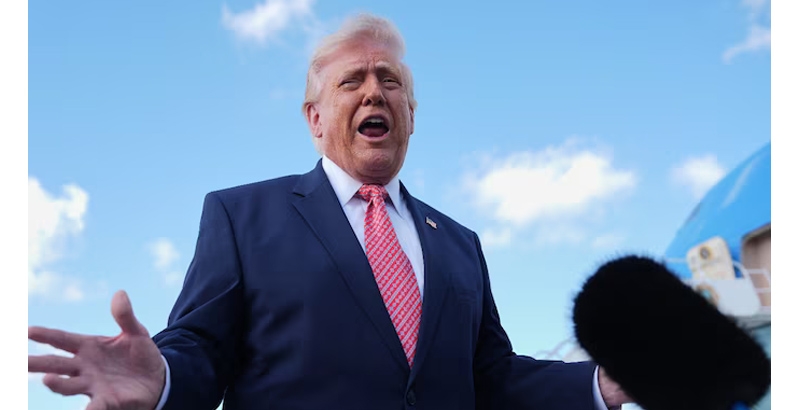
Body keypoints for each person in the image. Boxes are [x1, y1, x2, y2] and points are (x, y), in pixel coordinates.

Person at [28, 13, 632, 410]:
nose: (374, 91)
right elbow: (202, 348)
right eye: (352, 81)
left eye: (389, 80)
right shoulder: (242, 216)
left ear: (411, 115)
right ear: (314, 119)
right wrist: (162, 378)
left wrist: (600, 383)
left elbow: (492, 376)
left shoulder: (459, 244)